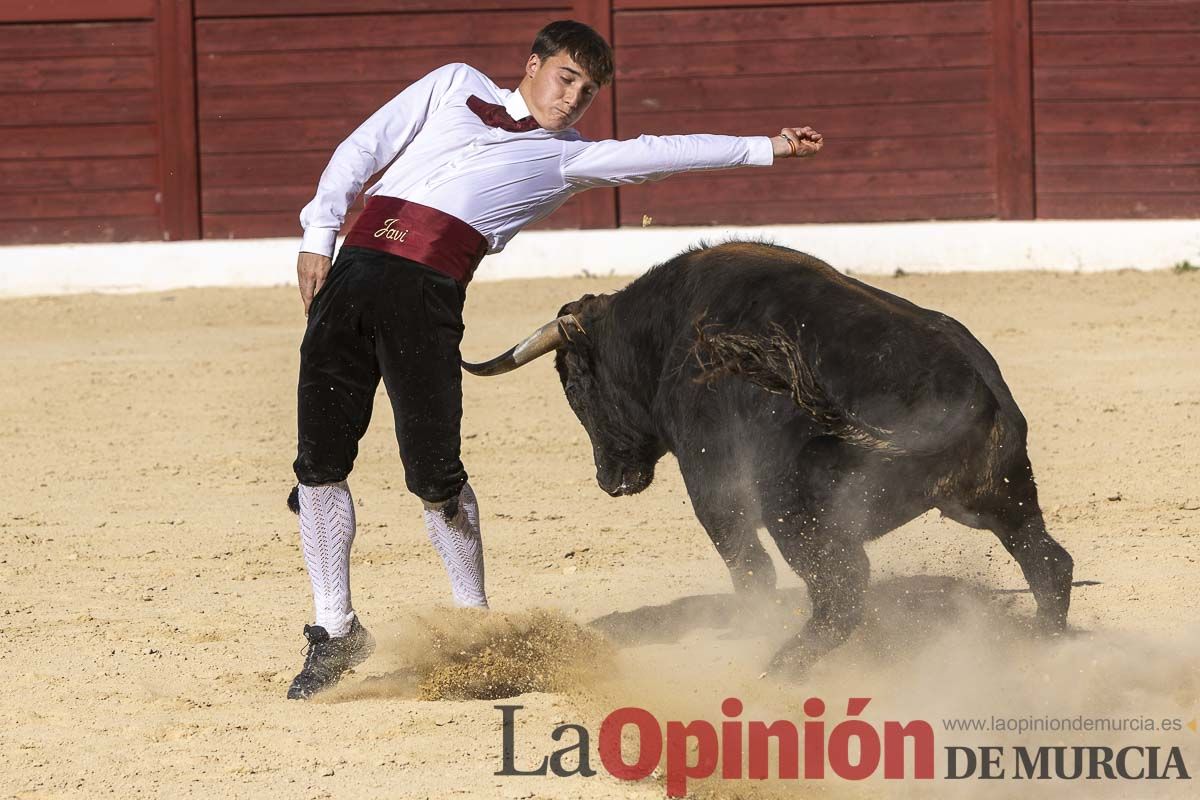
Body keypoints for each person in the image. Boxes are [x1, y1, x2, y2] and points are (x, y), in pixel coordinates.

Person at [287, 19, 823, 699]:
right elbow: (364, 147)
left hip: (425, 294)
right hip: (349, 273)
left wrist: (767, 147)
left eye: (588, 91)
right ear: (534, 64)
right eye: (566, 78)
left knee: (433, 474)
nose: (572, 99)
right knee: (318, 462)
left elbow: (663, 151)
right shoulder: (454, 84)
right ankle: (334, 630)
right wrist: (319, 229)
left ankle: (474, 629)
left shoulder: (569, 158)